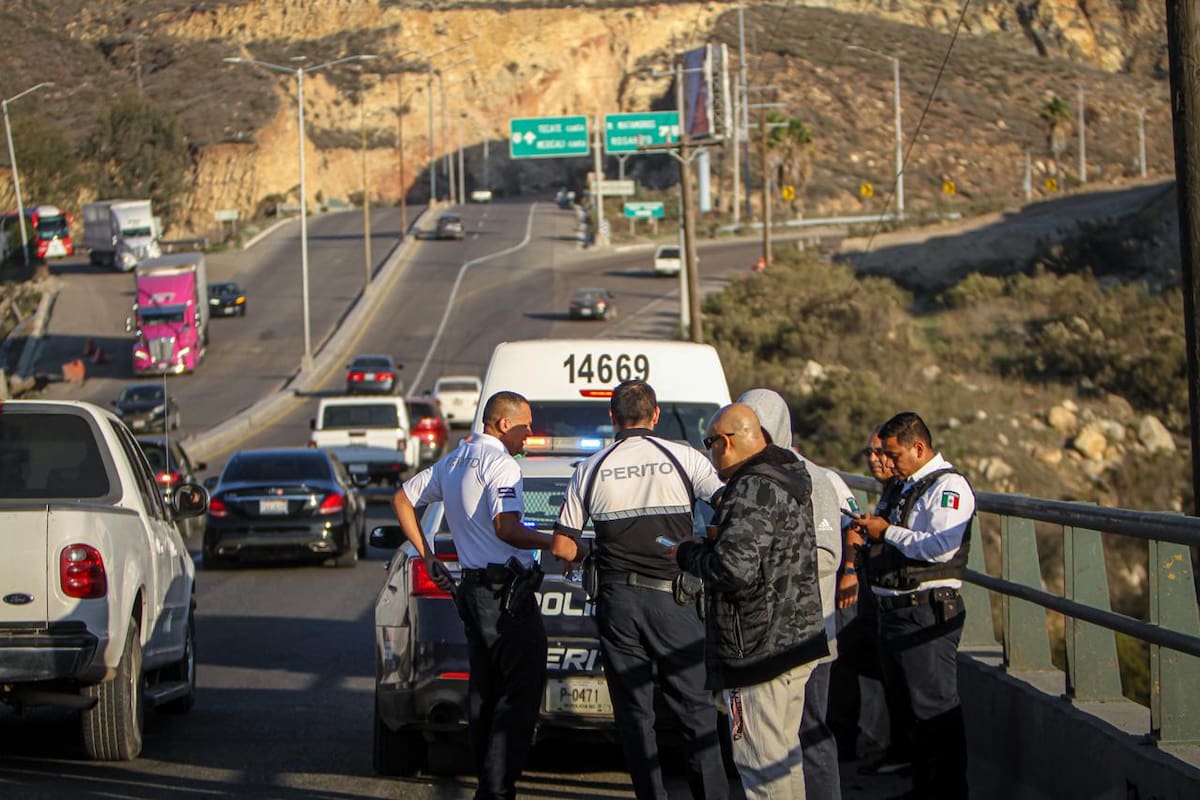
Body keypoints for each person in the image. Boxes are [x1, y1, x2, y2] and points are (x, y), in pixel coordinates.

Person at [552, 379, 729, 800]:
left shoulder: (591, 467)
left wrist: (596, 547)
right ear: (655, 416)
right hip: (677, 600)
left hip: (619, 605)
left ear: (612, 418)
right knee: (697, 712)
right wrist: (708, 543)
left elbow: (562, 547)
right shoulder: (685, 457)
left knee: (635, 715)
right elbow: (731, 507)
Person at [391, 391, 552, 800]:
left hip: (474, 591)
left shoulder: (453, 460)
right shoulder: (500, 464)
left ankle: (487, 785)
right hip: (504, 598)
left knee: (485, 692)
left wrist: (427, 556)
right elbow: (506, 527)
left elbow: (403, 499)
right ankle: (497, 790)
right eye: (524, 426)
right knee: (520, 693)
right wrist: (558, 542)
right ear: (501, 424)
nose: (529, 435)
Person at [676, 402, 828, 800]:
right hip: (796, 639)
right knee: (783, 761)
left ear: (725, 442)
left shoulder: (750, 486)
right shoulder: (788, 475)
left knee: (761, 769)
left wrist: (690, 554)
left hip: (757, 652)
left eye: (709, 443)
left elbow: (733, 570)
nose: (709, 452)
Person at [737, 388, 854, 800]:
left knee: (810, 733)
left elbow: (826, 555)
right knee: (771, 740)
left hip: (808, 635)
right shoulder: (747, 479)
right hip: (761, 638)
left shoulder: (813, 480)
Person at [850, 411, 974, 799]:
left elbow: (940, 546)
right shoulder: (905, 487)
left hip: (925, 612)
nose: (887, 462)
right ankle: (924, 789)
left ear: (918, 448)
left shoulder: (948, 487)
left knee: (935, 715)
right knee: (910, 718)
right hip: (896, 613)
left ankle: (948, 792)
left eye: (893, 454)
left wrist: (888, 532)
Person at [829, 429, 913, 775]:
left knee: (898, 674)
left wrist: (849, 567)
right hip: (876, 594)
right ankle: (848, 743)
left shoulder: (911, 491)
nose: (876, 459)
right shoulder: (891, 491)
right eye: (871, 453)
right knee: (847, 656)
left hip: (903, 600)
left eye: (884, 453)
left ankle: (905, 753)